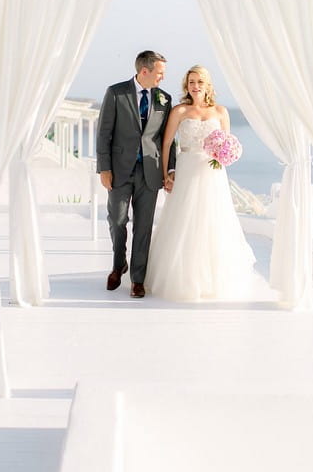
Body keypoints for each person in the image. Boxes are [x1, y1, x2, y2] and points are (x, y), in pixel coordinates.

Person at [145, 65, 255, 301]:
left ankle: (212, 279)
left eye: (200, 82)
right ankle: (182, 278)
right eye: (191, 82)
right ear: (187, 85)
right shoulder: (180, 111)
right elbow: (166, 145)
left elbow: (227, 143)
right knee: (184, 222)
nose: (195, 86)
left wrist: (225, 157)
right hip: (186, 169)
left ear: (208, 86)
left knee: (213, 222)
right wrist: (167, 174)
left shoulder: (221, 112)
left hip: (212, 174)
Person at [96, 50, 175, 298]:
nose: (162, 78)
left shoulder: (164, 99)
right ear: (145, 71)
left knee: (144, 227)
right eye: (160, 73)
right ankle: (119, 264)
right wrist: (104, 168)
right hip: (119, 171)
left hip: (150, 172)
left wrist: (169, 169)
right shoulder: (116, 93)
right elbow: (103, 134)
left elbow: (168, 140)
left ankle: (137, 279)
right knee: (117, 220)